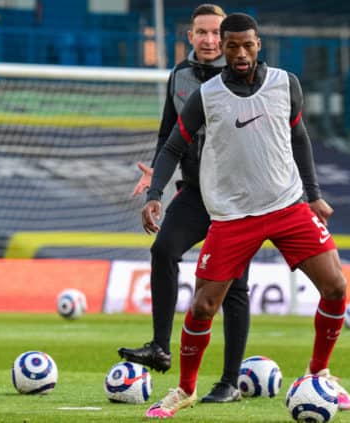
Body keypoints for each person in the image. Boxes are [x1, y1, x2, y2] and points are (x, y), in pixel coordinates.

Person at [141, 13, 350, 419]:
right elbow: (171, 147)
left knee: (336, 286)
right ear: (222, 46)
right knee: (203, 307)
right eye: (232, 45)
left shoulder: (285, 83)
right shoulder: (207, 95)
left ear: (259, 44)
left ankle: (319, 372)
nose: (240, 53)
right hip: (233, 216)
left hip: (288, 206)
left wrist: (314, 196)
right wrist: (155, 194)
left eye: (248, 45)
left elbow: (299, 138)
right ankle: (185, 390)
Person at [117, 4, 250, 403]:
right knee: (163, 249)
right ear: (190, 36)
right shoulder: (179, 76)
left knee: (234, 285)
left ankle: (228, 381)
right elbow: (167, 137)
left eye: (216, 33)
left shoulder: (246, 76)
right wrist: (155, 181)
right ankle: (160, 347)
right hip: (194, 191)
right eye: (202, 32)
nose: (209, 40)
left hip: (237, 197)